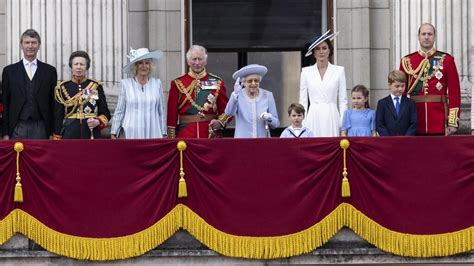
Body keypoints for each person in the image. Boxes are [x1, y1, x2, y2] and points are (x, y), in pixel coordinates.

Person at [399, 23, 461, 135]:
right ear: (418, 37)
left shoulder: (447, 60)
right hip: (415, 119)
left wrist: (452, 121)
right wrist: (402, 120)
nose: (426, 37)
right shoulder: (407, 61)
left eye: (430, 34)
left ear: (434, 36)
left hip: (439, 119)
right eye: (423, 34)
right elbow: (401, 93)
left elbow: (454, 93)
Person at [2, 29, 57, 139]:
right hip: (17, 126)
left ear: (39, 45)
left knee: (42, 156)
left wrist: (53, 132)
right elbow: (5, 103)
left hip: (41, 126)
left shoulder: (49, 71)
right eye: (27, 42)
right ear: (21, 45)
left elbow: (53, 103)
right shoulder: (9, 71)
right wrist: (5, 133)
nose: (30, 46)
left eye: (33, 42)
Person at [167, 45, 230, 138]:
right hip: (186, 135)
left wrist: (220, 122)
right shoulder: (177, 83)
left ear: (205, 61)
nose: (197, 62)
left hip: (210, 134)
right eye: (194, 59)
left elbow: (227, 110)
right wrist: (171, 138)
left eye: (200, 59)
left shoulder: (217, 82)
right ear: (188, 61)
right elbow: (172, 114)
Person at [299, 30, 347, 137]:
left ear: (329, 51)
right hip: (313, 116)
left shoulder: (339, 71)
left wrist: (343, 124)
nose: (321, 51)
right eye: (318, 49)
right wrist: (303, 123)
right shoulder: (306, 72)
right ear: (314, 53)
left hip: (332, 115)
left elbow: (343, 101)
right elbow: (302, 101)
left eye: (324, 48)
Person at [110, 48, 166, 139]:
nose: (144, 66)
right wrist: (114, 132)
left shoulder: (157, 84)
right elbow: (120, 110)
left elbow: (161, 111)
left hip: (153, 131)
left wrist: (164, 132)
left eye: (147, 63)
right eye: (140, 63)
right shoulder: (126, 84)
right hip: (131, 132)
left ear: (150, 66)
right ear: (135, 66)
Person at [53, 51, 111, 139]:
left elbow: (105, 112)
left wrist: (98, 121)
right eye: (76, 64)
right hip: (70, 133)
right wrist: (57, 136)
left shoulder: (95, 86)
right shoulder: (62, 88)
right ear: (71, 67)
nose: (79, 67)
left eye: (82, 64)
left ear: (87, 67)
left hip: (91, 133)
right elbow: (58, 116)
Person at [224, 64, 280, 138]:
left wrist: (269, 118)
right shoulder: (237, 95)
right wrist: (235, 94)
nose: (253, 83)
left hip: (262, 141)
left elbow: (276, 124)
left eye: (256, 80)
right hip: (243, 142)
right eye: (250, 81)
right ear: (244, 82)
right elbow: (229, 113)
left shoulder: (268, 95)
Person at [376, 70, 417, 136]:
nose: (400, 89)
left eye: (402, 86)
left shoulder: (410, 103)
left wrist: (406, 138)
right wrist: (388, 139)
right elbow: (379, 124)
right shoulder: (382, 103)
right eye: (397, 86)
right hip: (388, 142)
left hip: (406, 141)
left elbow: (413, 123)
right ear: (389, 85)